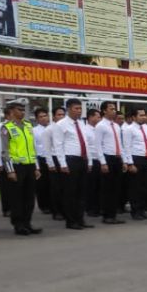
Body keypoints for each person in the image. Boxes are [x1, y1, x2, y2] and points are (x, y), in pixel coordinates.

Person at [0, 98, 43, 236]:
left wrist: (36, 167)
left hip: (29, 165)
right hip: (16, 166)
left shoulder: (28, 126)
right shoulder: (6, 128)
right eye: (19, 110)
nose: (22, 112)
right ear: (11, 111)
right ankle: (18, 224)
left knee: (29, 197)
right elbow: (5, 151)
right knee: (17, 198)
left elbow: (32, 148)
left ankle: (28, 223)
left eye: (23, 110)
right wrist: (9, 170)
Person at [49, 98, 96, 230]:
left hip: (82, 159)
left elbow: (86, 143)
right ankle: (71, 221)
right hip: (70, 160)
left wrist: (90, 160)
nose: (79, 111)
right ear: (68, 109)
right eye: (76, 108)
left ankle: (80, 219)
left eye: (80, 108)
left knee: (81, 192)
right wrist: (63, 164)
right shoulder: (61, 125)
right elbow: (58, 145)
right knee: (70, 193)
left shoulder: (81, 123)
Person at [94, 102, 129, 225]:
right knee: (107, 189)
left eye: (115, 109)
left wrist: (124, 160)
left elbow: (120, 145)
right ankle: (107, 215)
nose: (114, 111)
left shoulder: (116, 126)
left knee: (116, 188)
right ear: (104, 111)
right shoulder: (100, 126)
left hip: (117, 158)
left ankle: (113, 214)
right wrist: (103, 163)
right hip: (107, 158)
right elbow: (98, 146)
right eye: (111, 109)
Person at [123, 106, 147, 221]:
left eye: (144, 115)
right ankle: (135, 211)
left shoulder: (146, 128)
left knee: (144, 187)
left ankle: (142, 210)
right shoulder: (129, 129)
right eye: (141, 115)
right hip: (136, 159)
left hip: (145, 158)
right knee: (135, 188)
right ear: (133, 117)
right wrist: (130, 164)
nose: (144, 117)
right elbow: (126, 147)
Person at [33, 106, 53, 215]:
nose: (44, 118)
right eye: (40, 117)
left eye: (45, 115)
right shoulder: (34, 131)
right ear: (37, 119)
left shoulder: (53, 128)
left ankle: (53, 204)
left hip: (53, 159)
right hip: (41, 159)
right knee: (42, 185)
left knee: (53, 184)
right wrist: (36, 165)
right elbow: (34, 148)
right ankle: (44, 206)